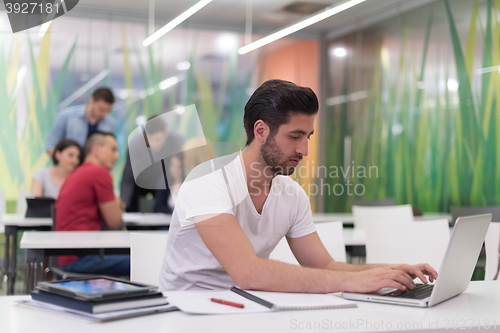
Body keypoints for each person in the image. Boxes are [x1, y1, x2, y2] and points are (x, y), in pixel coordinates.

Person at [160, 79, 438, 292]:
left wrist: (390, 271)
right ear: (261, 131)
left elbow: (326, 266)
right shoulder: (207, 182)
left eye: (308, 136)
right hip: (189, 312)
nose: (304, 149)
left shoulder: (291, 195)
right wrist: (355, 282)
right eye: (295, 136)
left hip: (248, 309)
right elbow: (247, 272)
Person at [55, 131, 129, 276]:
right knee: (146, 259)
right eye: (113, 149)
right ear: (96, 150)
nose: (117, 156)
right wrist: (117, 202)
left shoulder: (76, 172)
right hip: (82, 258)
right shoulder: (99, 173)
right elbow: (114, 221)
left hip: (66, 257)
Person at [120, 114, 185, 214]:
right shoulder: (135, 144)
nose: (153, 144)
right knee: (131, 195)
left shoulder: (179, 143)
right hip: (142, 182)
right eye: (149, 140)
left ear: (166, 134)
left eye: (158, 140)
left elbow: (184, 171)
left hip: (166, 183)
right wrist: (123, 202)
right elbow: (128, 177)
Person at [46, 87, 116, 155]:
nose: (104, 114)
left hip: (94, 166)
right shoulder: (66, 116)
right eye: (101, 109)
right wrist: (65, 162)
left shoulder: (110, 124)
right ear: (92, 100)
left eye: (108, 111)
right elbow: (50, 145)